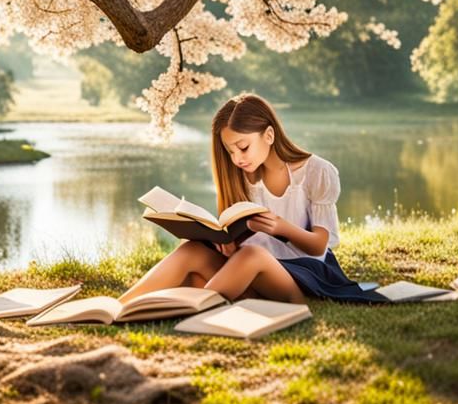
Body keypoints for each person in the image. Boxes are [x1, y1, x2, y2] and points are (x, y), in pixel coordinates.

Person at [119, 93, 377, 305]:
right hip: (247, 272)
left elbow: (320, 246)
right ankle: (118, 308)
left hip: (299, 278)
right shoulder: (243, 177)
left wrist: (281, 227)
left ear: (269, 135)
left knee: (253, 255)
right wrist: (225, 243)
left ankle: (191, 307)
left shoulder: (316, 172)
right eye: (230, 151)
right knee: (191, 251)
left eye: (243, 147)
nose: (237, 159)